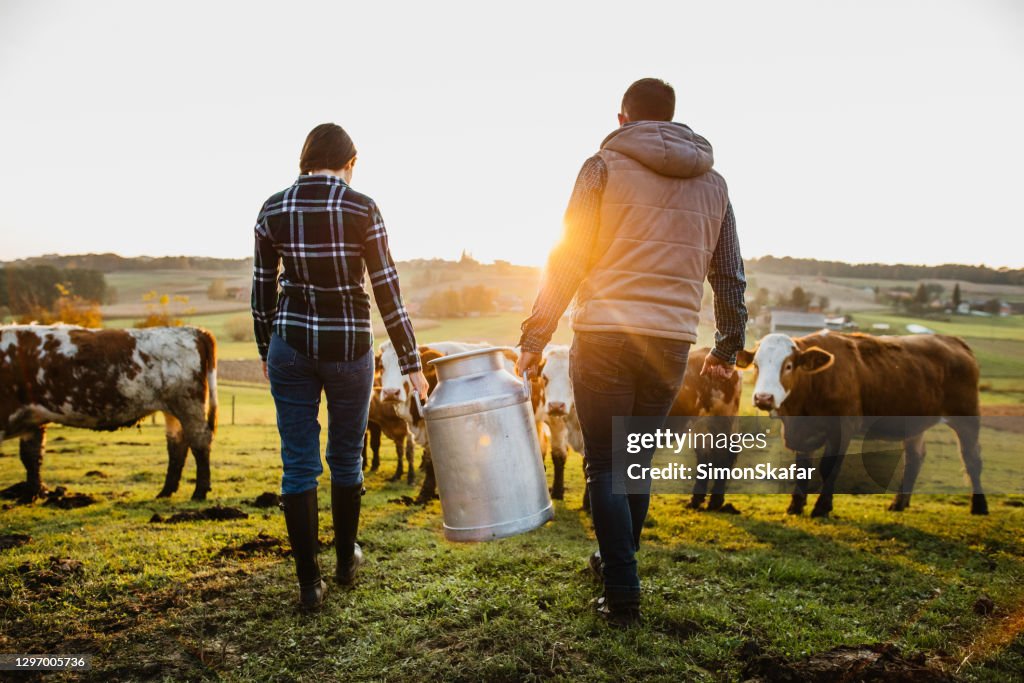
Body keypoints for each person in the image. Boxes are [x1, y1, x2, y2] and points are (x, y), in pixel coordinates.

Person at [517, 79, 748, 627]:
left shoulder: (602, 166)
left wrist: (534, 338)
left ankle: (622, 588)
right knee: (635, 463)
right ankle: (614, 561)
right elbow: (729, 273)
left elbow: (569, 257)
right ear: (672, 120)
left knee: (604, 464)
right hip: (670, 344)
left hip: (604, 337)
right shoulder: (714, 183)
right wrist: (729, 346)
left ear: (624, 119)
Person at [251, 123, 429, 611]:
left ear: (305, 160)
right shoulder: (361, 206)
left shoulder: (273, 208)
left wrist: (268, 346)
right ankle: (346, 562)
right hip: (351, 347)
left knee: (298, 463)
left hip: (290, 345)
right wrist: (411, 362)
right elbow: (387, 291)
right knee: (346, 457)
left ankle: (309, 584)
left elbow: (262, 289)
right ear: (352, 162)